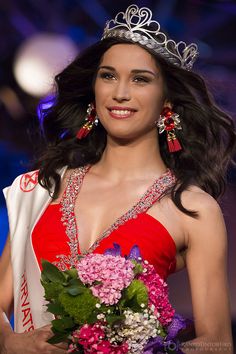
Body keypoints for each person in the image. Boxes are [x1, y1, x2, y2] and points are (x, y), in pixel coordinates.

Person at [0, 4, 235, 354]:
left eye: (140, 79)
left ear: (166, 101)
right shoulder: (43, 186)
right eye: (108, 75)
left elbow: (218, 342)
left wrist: (146, 350)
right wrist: (11, 341)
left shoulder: (192, 208)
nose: (119, 92)